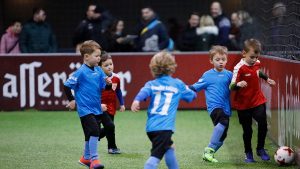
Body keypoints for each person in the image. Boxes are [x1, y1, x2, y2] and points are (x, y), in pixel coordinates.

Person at [131, 51, 196, 169]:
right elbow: (191, 97)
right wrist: (189, 88)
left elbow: (143, 91)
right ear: (172, 67)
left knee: (169, 147)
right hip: (164, 128)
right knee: (153, 160)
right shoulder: (178, 84)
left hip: (151, 128)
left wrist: (136, 100)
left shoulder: (151, 84)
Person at [64, 40, 109, 169]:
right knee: (95, 130)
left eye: (100, 55)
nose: (99, 58)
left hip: (96, 108)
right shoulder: (81, 72)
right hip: (84, 109)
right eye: (97, 56)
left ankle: (85, 158)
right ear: (86, 57)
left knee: (90, 133)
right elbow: (66, 86)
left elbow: (103, 87)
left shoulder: (99, 71)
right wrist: (72, 100)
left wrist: (108, 83)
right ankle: (94, 160)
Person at [229, 39, 276, 163]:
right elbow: (231, 86)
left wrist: (267, 78)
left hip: (257, 100)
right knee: (247, 130)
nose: (255, 59)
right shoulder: (238, 68)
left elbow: (257, 71)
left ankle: (260, 148)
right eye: (252, 57)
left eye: (256, 57)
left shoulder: (257, 63)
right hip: (243, 104)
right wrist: (238, 84)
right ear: (244, 53)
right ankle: (248, 153)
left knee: (263, 124)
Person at [189, 45, 232, 162]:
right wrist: (182, 89)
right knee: (223, 121)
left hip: (226, 109)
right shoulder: (207, 75)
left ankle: (208, 153)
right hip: (214, 107)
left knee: (222, 137)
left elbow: (235, 86)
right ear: (211, 61)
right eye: (217, 60)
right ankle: (209, 150)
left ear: (226, 60)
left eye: (223, 59)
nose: (221, 62)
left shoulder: (229, 75)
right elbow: (195, 87)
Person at [98, 51, 125, 154]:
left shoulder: (116, 78)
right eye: (106, 65)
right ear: (100, 67)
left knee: (110, 127)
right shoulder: (98, 78)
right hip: (100, 107)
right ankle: (96, 135)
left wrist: (122, 104)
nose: (109, 67)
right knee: (110, 126)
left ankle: (111, 147)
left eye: (111, 64)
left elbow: (118, 91)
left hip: (112, 106)